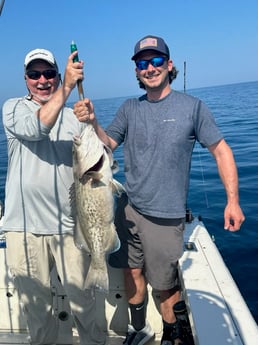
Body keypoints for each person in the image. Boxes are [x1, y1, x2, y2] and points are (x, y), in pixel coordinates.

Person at [73, 35, 245, 345]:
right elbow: (106, 144)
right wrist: (93, 120)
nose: (149, 68)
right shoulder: (128, 108)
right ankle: (140, 329)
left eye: (155, 61)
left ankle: (171, 333)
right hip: (127, 209)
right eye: (142, 63)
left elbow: (221, 150)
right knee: (131, 273)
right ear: (136, 71)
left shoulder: (194, 107)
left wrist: (232, 201)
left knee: (165, 285)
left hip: (166, 215)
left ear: (168, 65)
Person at [2, 48, 106, 345]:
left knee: (84, 305)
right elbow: (36, 128)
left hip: (70, 227)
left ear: (57, 75)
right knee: (36, 310)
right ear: (26, 80)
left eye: (49, 73)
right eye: (35, 75)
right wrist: (68, 88)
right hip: (24, 229)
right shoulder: (13, 108)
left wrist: (92, 122)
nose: (42, 80)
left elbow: (104, 160)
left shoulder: (74, 118)